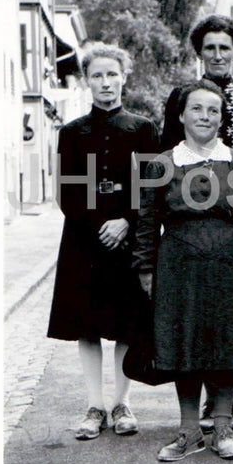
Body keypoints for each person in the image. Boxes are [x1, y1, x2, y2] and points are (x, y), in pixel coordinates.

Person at [132, 80, 233, 461]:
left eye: (213, 110)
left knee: (230, 343)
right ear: (181, 115)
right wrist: (146, 267)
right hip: (179, 265)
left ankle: (224, 426)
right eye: (197, 109)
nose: (205, 117)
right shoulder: (163, 164)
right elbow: (147, 222)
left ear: (221, 118)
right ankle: (189, 430)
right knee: (184, 346)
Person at [161, 14, 233, 435]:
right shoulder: (182, 95)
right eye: (210, 47)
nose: (218, 54)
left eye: (225, 47)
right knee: (196, 312)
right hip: (191, 215)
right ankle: (201, 408)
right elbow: (164, 148)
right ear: (199, 52)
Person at [47, 42, 160, 440]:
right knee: (88, 324)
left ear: (124, 76)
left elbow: (151, 185)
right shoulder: (72, 132)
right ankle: (95, 405)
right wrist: (101, 224)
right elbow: (68, 191)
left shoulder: (143, 128)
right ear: (86, 81)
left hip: (129, 239)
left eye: (112, 74)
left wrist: (127, 221)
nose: (105, 82)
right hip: (85, 239)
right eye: (97, 75)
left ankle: (121, 403)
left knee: (127, 323)